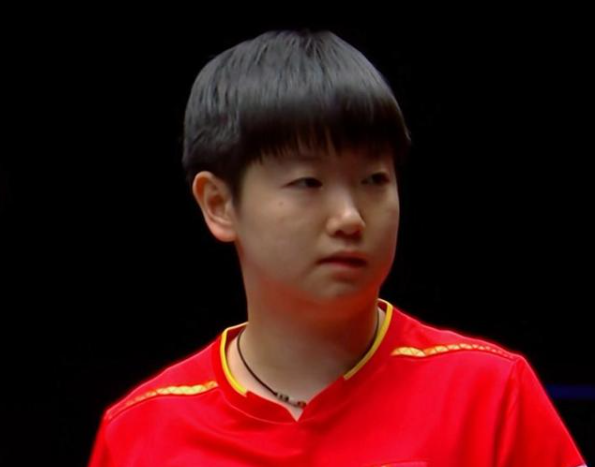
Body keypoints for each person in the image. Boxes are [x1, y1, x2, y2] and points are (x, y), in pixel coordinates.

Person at [88, 29, 587, 467]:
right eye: (308, 182)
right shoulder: (142, 430)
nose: (350, 217)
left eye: (374, 179)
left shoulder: (491, 395)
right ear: (219, 204)